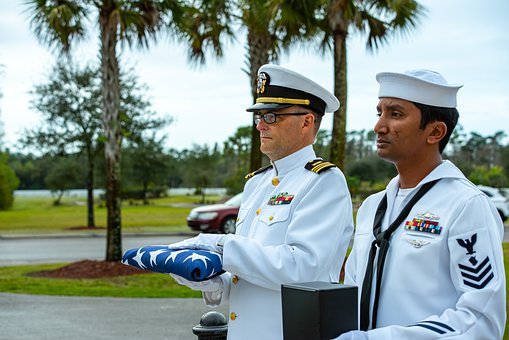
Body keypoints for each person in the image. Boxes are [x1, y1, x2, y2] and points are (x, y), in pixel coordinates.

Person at [169, 64, 354, 339]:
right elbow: (247, 275)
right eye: (259, 116)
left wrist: (221, 245)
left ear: (307, 122)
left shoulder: (323, 181)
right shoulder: (257, 183)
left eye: (272, 116)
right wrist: (209, 279)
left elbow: (302, 268)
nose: (260, 125)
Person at [338, 69, 506, 339]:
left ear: (435, 131)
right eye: (379, 112)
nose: (379, 126)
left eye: (395, 114)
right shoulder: (371, 207)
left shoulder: (465, 205)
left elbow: (480, 320)